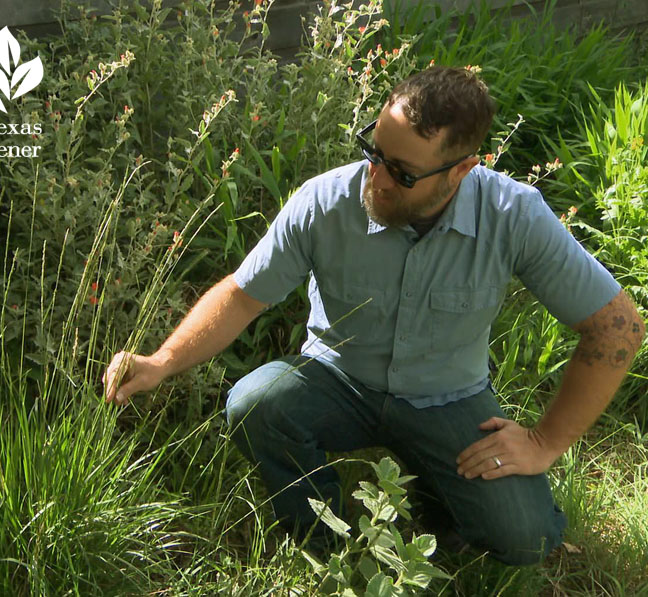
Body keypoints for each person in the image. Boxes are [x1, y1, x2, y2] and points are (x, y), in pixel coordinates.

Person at [102, 66, 645, 566]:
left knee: (526, 538)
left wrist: (544, 442)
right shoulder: (324, 202)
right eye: (374, 151)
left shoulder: (514, 215)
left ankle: (438, 500)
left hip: (447, 398)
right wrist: (163, 360)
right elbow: (244, 296)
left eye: (403, 173)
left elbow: (618, 327)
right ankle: (323, 542)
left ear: (460, 170)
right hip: (339, 380)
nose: (377, 178)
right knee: (255, 404)